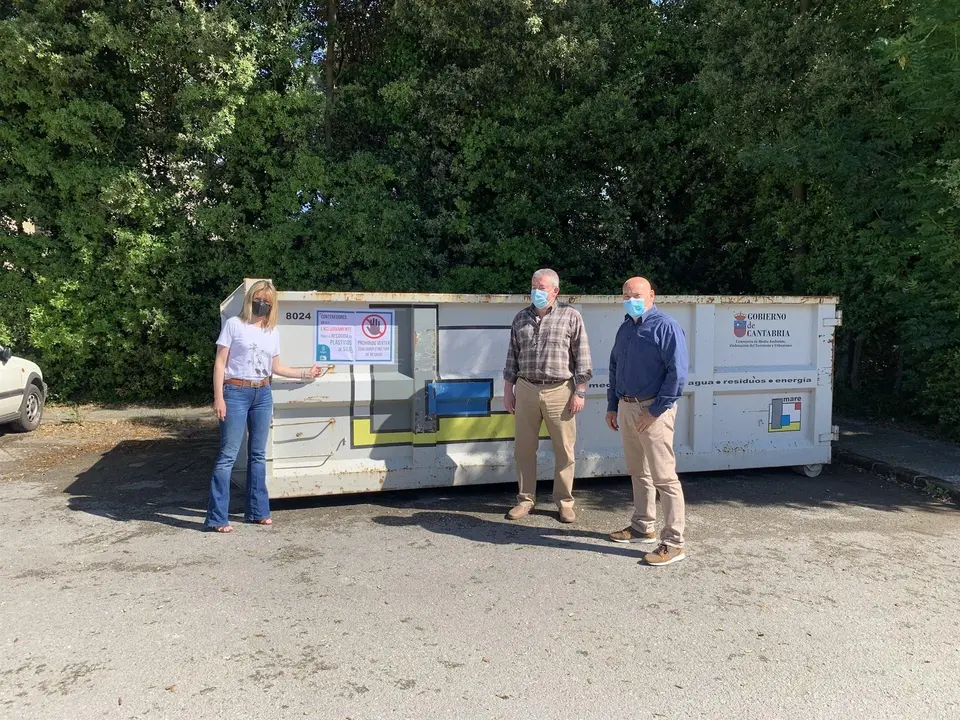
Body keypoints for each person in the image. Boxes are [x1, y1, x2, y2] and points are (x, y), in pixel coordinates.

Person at [204, 280, 322, 533]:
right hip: (235, 392)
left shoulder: (272, 332)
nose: (262, 304)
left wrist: (306, 373)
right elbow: (219, 363)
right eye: (258, 299)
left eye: (267, 301)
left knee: (258, 455)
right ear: (250, 300)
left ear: (272, 305)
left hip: (263, 393)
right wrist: (219, 398)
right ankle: (217, 518)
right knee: (228, 455)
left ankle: (258, 512)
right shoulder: (234, 325)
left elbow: (277, 368)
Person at [605, 276, 689, 566]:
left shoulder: (665, 326)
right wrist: (612, 405)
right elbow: (615, 366)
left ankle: (674, 542)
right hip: (627, 407)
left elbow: (677, 374)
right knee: (638, 471)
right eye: (626, 294)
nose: (631, 299)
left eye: (637, 294)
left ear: (651, 295)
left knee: (664, 477)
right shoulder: (626, 327)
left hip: (653, 410)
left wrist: (654, 412)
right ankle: (643, 525)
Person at [503, 269, 593, 523]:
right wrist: (508, 390)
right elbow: (512, 355)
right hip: (526, 388)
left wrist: (580, 392)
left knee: (564, 450)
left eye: (541, 287)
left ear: (555, 290)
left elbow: (582, 357)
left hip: (560, 390)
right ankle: (525, 500)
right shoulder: (521, 318)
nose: (536, 291)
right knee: (523, 449)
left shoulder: (571, 316)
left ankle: (564, 502)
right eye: (533, 286)